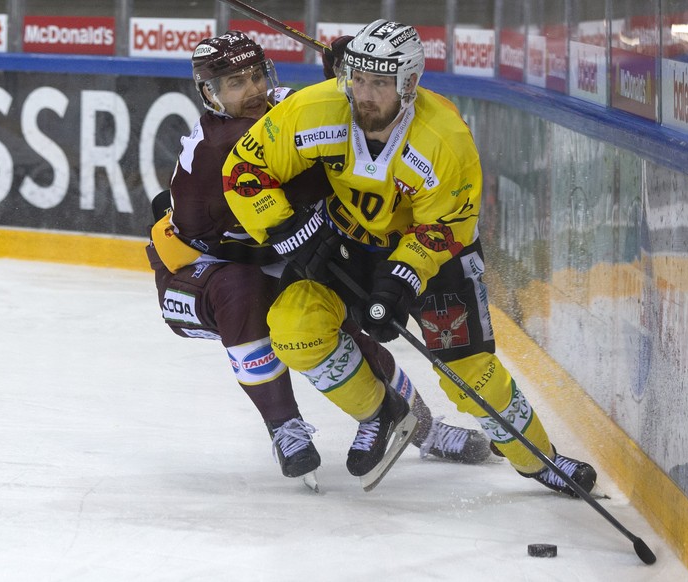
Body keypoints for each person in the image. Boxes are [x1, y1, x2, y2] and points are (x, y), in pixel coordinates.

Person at [222, 20, 597, 497]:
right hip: (345, 247)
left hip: (435, 260)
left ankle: (540, 459)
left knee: (470, 376)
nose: (364, 94)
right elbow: (246, 168)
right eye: (358, 78)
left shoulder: (444, 140)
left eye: (380, 83)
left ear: (409, 84)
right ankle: (382, 412)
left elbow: (446, 226)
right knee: (295, 329)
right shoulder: (316, 110)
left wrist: (401, 279)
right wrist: (285, 227)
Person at [146, 31, 490, 488]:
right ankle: (284, 427)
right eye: (233, 83)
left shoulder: (280, 106)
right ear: (210, 94)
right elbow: (310, 155)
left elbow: (320, 120)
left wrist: (349, 82)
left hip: (267, 251)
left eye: (255, 76)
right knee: (245, 295)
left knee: (326, 318)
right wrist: (346, 95)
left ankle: (419, 428)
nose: (251, 91)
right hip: (198, 271)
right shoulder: (220, 147)